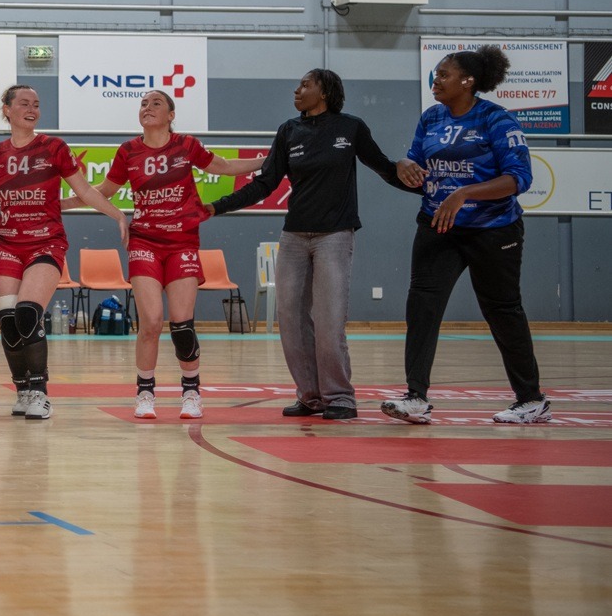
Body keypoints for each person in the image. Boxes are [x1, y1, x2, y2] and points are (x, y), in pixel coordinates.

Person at [207, 69, 411, 421]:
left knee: (330, 321)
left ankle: (340, 397)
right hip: (294, 237)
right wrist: (216, 207)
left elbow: (384, 168)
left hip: (335, 235)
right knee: (291, 320)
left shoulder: (351, 128)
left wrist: (429, 188)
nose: (297, 90)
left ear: (325, 92)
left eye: (305, 85)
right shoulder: (289, 131)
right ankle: (310, 396)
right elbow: (265, 183)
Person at [382, 46, 551, 425]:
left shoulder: (497, 119)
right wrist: (405, 165)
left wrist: (463, 194)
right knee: (422, 307)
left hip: (493, 229)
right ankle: (415, 397)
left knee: (502, 310)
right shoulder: (431, 118)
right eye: (436, 74)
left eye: (444, 74)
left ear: (468, 81)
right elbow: (417, 162)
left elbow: (518, 179)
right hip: (438, 226)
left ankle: (531, 400)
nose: (436, 81)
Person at [98, 90, 260, 420]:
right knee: (151, 322)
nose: (147, 107)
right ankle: (145, 393)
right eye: (143, 103)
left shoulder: (186, 145)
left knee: (181, 324)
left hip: (182, 242)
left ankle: (191, 393)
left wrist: (270, 161)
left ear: (171, 115)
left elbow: (225, 167)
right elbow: (102, 192)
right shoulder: (128, 151)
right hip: (144, 242)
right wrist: (59, 202)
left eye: (156, 103)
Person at [0, 85, 130, 420]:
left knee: (27, 314)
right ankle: (22, 390)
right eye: (23, 104)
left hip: (45, 241)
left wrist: (118, 214)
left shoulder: (54, 147)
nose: (31, 109)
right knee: (8, 324)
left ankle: (40, 393)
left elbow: (85, 190)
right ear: (7, 110)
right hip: (7, 243)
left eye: (36, 104)